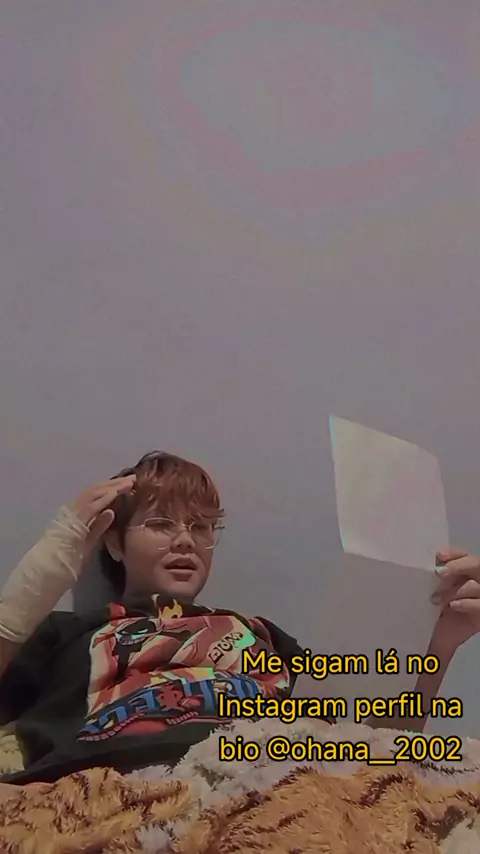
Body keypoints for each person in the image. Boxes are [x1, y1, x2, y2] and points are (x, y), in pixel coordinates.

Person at [0, 451, 479, 786]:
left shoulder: (261, 634)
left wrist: (436, 647)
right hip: (112, 786)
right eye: (161, 523)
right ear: (115, 542)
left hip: (271, 781)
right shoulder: (69, 632)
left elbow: (374, 744)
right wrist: (46, 568)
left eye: (201, 527)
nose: (185, 540)